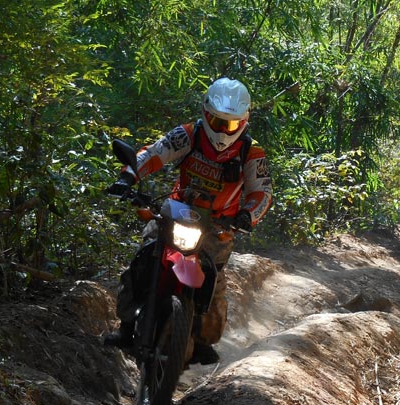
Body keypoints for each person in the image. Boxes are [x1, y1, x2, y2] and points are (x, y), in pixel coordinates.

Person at [103, 77, 273, 364]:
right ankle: (126, 327)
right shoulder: (188, 135)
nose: (223, 130)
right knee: (142, 259)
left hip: (219, 227)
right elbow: (154, 154)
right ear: (205, 114)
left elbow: (262, 191)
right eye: (218, 122)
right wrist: (127, 178)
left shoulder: (251, 153)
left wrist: (247, 215)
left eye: (230, 125)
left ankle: (200, 338)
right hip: (176, 211)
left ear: (244, 121)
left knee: (215, 283)